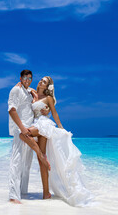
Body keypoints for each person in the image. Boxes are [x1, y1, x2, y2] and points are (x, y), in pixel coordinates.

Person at [19, 76, 93, 207]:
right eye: (41, 80)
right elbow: (23, 86)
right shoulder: (33, 93)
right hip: (35, 123)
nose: (41, 82)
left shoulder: (49, 99)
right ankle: (46, 193)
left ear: (48, 87)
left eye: (45, 82)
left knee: (23, 134)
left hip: (44, 125)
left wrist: (62, 129)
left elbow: (54, 113)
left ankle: (42, 157)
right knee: (42, 162)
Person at [8, 70, 50, 204]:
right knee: (17, 161)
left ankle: (23, 192)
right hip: (21, 130)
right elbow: (12, 110)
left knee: (26, 164)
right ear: (20, 78)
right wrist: (22, 128)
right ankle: (13, 195)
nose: (27, 80)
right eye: (25, 77)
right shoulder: (16, 90)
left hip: (30, 129)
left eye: (30, 78)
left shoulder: (29, 91)